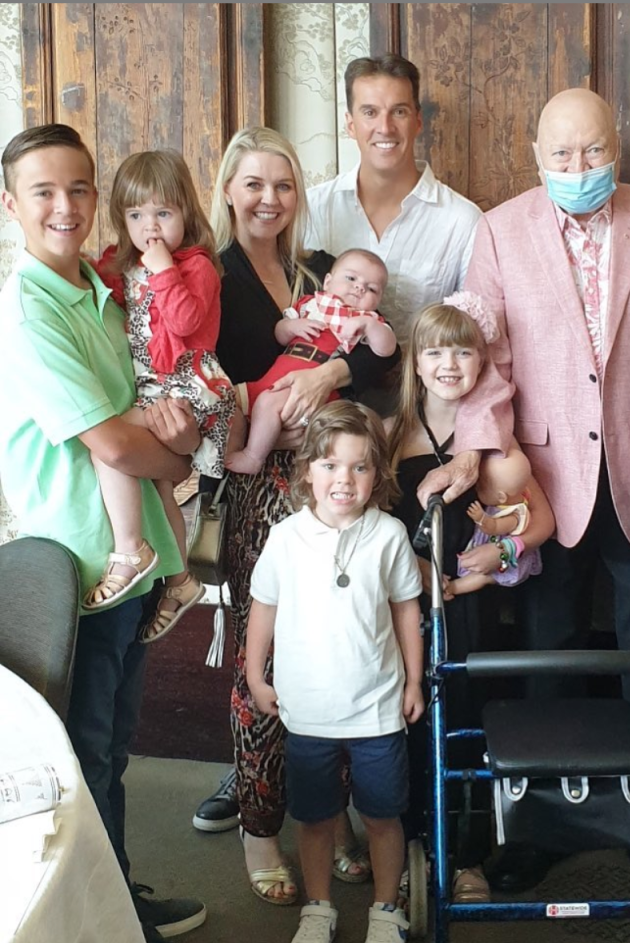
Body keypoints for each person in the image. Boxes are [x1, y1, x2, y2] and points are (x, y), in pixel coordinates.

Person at [419, 89, 630, 892]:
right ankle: (540, 818)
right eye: (561, 156)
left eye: (592, 152)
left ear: (616, 146)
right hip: (540, 484)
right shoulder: (499, 230)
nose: (579, 169)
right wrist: (488, 457)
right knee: (546, 645)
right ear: (536, 155)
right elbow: (484, 361)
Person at [0, 123, 205, 943]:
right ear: (10, 204)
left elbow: (141, 423)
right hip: (78, 566)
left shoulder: (96, 285)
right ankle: (106, 937)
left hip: (133, 560)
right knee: (81, 759)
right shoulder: (25, 305)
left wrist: (175, 439)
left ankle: (117, 894)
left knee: (112, 747)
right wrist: (182, 448)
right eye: (43, 191)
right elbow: (115, 443)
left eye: (79, 189)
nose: (65, 206)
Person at [189, 127, 399, 901]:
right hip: (262, 490)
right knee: (266, 660)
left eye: (282, 185)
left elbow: (383, 358)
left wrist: (333, 371)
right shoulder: (213, 273)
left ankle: (328, 817)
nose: (269, 199)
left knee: (337, 651)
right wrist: (273, 396)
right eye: (253, 184)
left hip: (332, 486)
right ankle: (260, 826)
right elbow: (198, 375)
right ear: (229, 190)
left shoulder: (320, 269)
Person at [386, 297, 553, 903]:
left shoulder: (490, 443)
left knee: (467, 726)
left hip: (469, 607)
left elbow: (542, 523)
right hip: (405, 608)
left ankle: (466, 857)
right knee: (405, 728)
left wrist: (498, 558)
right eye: (434, 351)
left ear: (485, 361)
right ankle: (404, 851)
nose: (449, 364)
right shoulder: (392, 431)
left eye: (463, 351)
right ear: (416, 361)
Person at [246, 401, 423, 943]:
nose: (343, 479)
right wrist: (255, 673)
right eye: (329, 465)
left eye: (358, 467)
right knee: (317, 818)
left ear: (377, 474)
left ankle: (386, 911)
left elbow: (405, 611)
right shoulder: (285, 537)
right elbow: (264, 607)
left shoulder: (390, 535)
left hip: (376, 708)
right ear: (307, 472)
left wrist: (414, 681)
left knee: (381, 815)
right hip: (309, 709)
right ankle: (318, 910)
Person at [88, 149, 233, 642]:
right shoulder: (123, 265)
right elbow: (98, 289)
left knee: (111, 445)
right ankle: (179, 578)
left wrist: (163, 268)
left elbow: (187, 322)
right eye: (136, 215)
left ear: (186, 214)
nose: (150, 228)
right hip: (150, 386)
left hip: (184, 385)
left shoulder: (196, 266)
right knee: (156, 484)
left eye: (163, 214)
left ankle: (131, 550)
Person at [305, 54, 481, 350]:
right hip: (320, 392)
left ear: (418, 120)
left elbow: (472, 339)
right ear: (350, 124)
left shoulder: (462, 222)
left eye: (398, 112)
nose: (385, 128)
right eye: (370, 112)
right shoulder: (311, 209)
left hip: (420, 394)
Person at [227, 248, 395, 475]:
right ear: (327, 282)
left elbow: (387, 351)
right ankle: (231, 453)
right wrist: (292, 327)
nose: (359, 288)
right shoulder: (311, 305)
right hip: (273, 380)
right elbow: (279, 332)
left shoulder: (368, 320)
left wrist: (370, 326)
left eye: (371, 288)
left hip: (306, 392)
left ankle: (253, 457)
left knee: (268, 403)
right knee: (228, 400)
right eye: (351, 278)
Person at [449, 440, 550, 595]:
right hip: (493, 548)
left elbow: (494, 527)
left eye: (482, 486)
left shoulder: (514, 514)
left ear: (501, 497)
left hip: (502, 557)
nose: (477, 487)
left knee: (483, 577)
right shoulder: (515, 496)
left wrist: (481, 518)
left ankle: (453, 588)